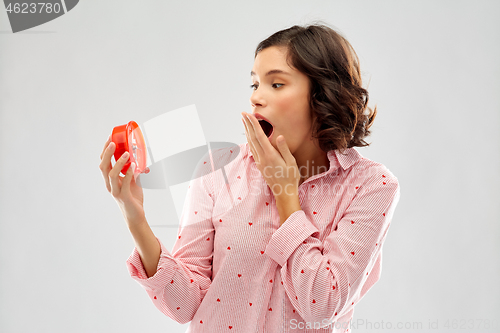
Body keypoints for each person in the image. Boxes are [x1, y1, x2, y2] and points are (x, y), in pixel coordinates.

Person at [99, 23, 401, 333]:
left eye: (276, 84)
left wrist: (286, 196)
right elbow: (186, 304)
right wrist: (135, 218)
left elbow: (322, 305)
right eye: (254, 85)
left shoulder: (370, 185)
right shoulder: (217, 170)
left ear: (322, 94)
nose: (256, 98)